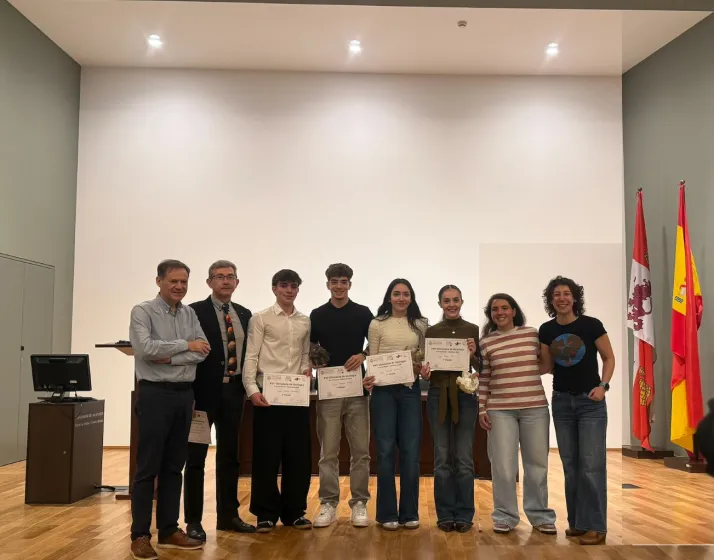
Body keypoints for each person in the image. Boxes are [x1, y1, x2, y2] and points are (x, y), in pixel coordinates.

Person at [128, 259, 209, 560]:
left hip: (184, 395)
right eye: (173, 281)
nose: (179, 286)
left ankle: (168, 530)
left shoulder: (189, 313)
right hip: (154, 394)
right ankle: (140, 535)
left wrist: (172, 356)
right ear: (159, 281)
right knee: (147, 468)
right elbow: (145, 349)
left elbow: (204, 350)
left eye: (184, 282)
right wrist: (186, 345)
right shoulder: (143, 312)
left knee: (175, 467)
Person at [538, 276, 615, 546]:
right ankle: (578, 523)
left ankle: (596, 526)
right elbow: (546, 366)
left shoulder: (591, 325)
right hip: (561, 402)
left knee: (591, 466)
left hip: (590, 403)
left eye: (566, 293)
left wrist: (603, 386)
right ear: (551, 300)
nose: (562, 298)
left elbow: (609, 357)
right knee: (571, 467)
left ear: (574, 298)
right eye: (556, 294)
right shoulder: (546, 330)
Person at [183, 260, 255, 541]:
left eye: (230, 277)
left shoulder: (244, 314)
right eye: (219, 276)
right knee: (196, 458)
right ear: (209, 282)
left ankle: (228, 516)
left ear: (237, 282)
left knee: (229, 456)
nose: (225, 281)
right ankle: (193, 521)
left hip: (234, 392)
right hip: (202, 395)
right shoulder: (193, 312)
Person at [479, 293, 556, 536]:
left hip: (535, 408)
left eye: (504, 308)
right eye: (495, 309)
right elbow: (484, 377)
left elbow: (545, 365)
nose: (500, 312)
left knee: (537, 465)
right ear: (491, 315)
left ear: (513, 311)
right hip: (500, 410)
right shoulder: (486, 342)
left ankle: (540, 515)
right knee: (503, 466)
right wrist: (482, 408)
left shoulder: (531, 334)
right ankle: (505, 515)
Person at [242, 269, 313, 533]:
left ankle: (294, 512)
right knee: (266, 456)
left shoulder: (305, 321)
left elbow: (304, 355)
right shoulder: (260, 318)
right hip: (267, 395)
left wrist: (306, 370)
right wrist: (251, 389)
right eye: (284, 286)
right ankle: (265, 514)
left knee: (298, 457)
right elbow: (251, 355)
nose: (289, 291)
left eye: (294, 286)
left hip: (296, 395)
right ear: (274, 289)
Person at [310, 263, 373, 528]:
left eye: (343, 281)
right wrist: (315, 361)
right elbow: (310, 347)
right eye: (334, 281)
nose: (339, 286)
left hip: (357, 390)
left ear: (350, 284)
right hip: (328, 391)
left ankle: (359, 503)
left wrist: (363, 355)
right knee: (328, 452)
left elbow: (376, 343)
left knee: (361, 451)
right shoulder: (317, 315)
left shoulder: (363, 313)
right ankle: (328, 503)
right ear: (327, 284)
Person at [363, 278, 427, 531]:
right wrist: (370, 378)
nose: (401, 298)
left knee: (411, 452)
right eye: (397, 294)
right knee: (386, 452)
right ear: (389, 297)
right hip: (383, 393)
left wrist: (422, 368)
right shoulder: (377, 324)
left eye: (406, 294)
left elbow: (425, 359)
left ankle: (409, 513)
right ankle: (387, 513)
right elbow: (373, 358)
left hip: (410, 391)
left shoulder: (421, 324)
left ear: (411, 298)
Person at [420, 285, 480, 533]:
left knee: (464, 458)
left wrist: (473, 354)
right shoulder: (431, 332)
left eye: (456, 300)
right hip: (438, 395)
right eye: (447, 301)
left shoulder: (473, 330)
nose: (451, 305)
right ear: (440, 304)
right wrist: (424, 372)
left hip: (465, 396)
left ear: (462, 302)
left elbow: (481, 367)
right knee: (442, 457)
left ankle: (465, 514)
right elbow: (427, 367)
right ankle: (445, 513)